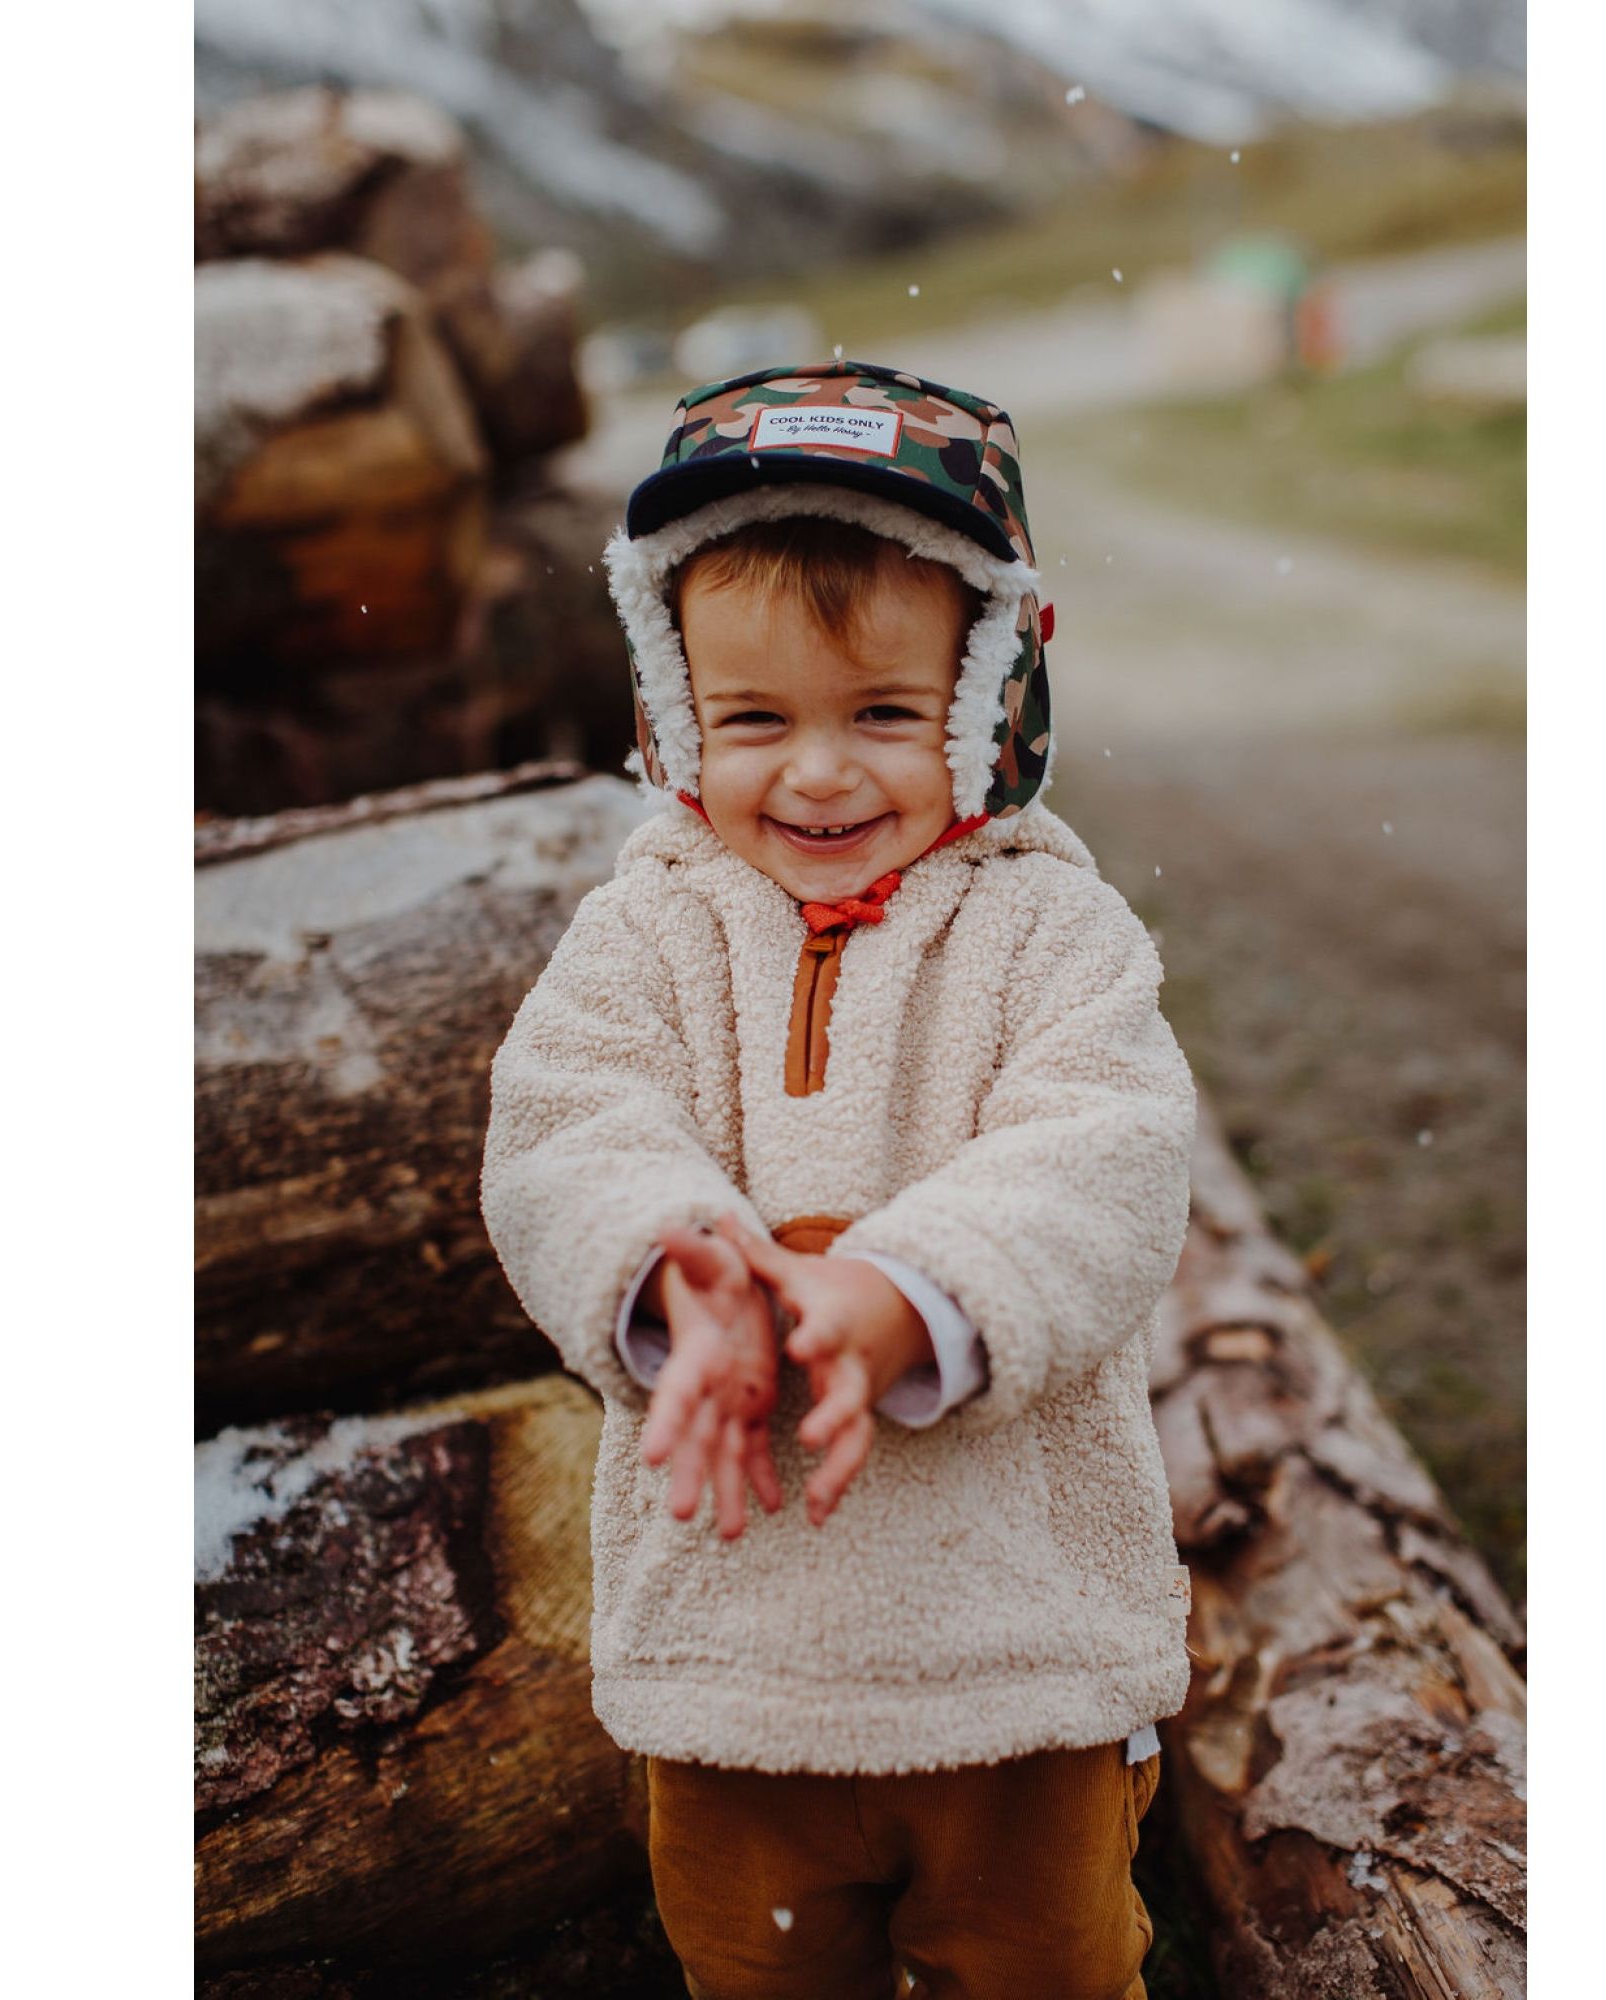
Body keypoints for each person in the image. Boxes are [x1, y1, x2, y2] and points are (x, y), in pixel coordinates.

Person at [481, 360, 1198, 2000]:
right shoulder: (647, 935)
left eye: (883, 714)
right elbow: (566, 1131)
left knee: (1049, 1969)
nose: (816, 774)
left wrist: (900, 1294)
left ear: (993, 693)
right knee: (752, 1970)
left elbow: (1103, 1153)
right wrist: (683, 1276)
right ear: (672, 711)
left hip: (1016, 1663)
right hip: (736, 1674)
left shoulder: (1049, 934)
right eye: (753, 720)